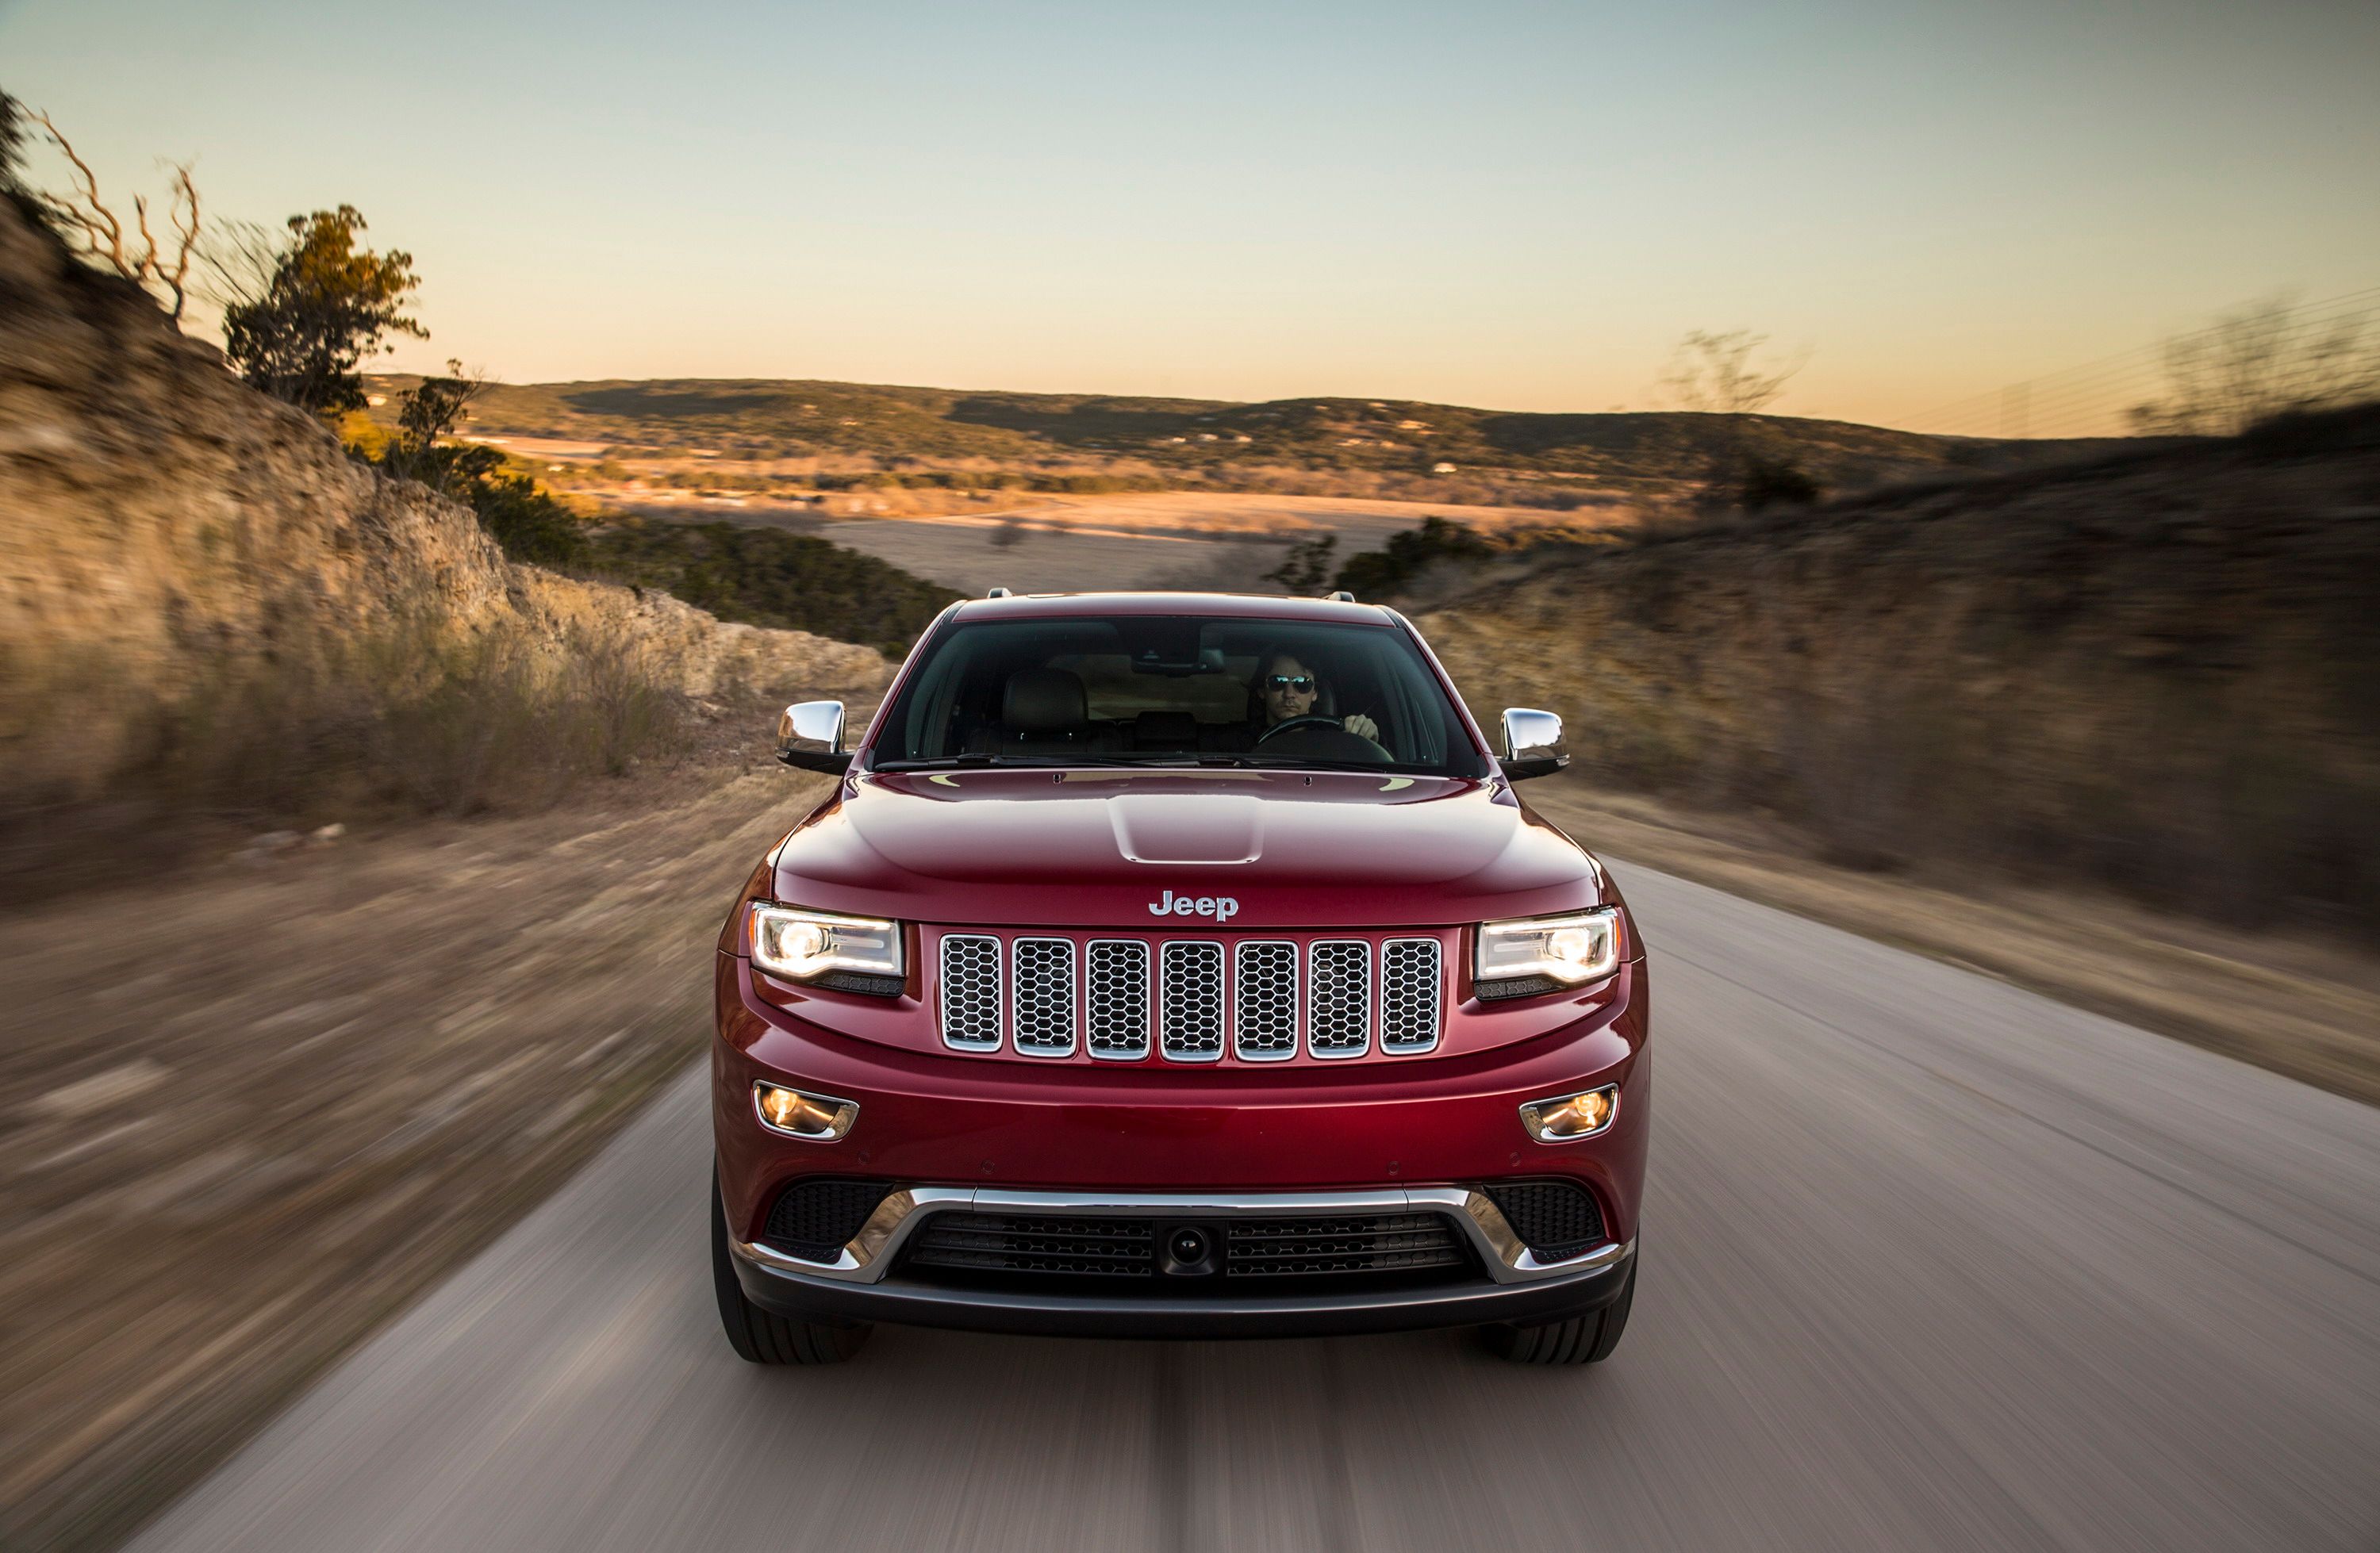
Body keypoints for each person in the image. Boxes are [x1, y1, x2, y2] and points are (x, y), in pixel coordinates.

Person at [1251, 650, 1380, 742]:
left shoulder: (1338, 741)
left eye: (1302, 683)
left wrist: (1370, 738)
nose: (1289, 694)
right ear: (1261, 691)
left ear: (1315, 693)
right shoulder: (1235, 743)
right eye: (1278, 682)